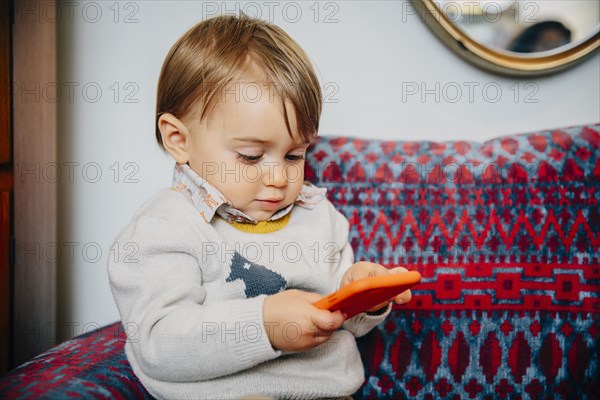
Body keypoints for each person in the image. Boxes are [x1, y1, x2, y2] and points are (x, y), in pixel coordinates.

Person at [107, 13, 412, 399]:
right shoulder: (164, 228)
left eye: (294, 155)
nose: (278, 178)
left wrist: (359, 295)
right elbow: (159, 345)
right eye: (251, 156)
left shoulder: (320, 216)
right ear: (178, 139)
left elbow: (344, 323)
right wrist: (264, 324)